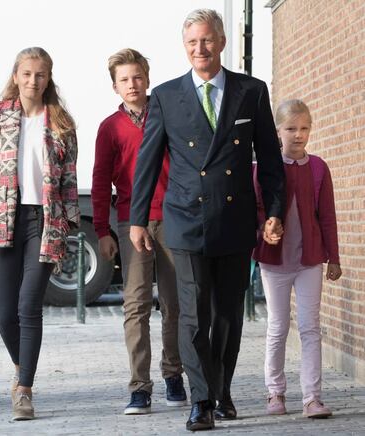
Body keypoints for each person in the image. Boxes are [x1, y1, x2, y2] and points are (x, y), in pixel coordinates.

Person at [129, 9, 286, 432]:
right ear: (185, 48)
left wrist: (274, 211)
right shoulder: (165, 95)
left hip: (234, 220)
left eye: (207, 40)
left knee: (228, 315)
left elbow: (269, 157)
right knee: (193, 315)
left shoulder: (251, 91)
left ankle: (222, 390)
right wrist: (137, 218)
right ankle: (201, 400)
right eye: (192, 42)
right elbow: (147, 161)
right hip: (185, 219)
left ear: (221, 41)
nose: (200, 49)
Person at [0, 47, 80, 420]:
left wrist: (68, 225)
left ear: (49, 78)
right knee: (2, 315)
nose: (33, 81)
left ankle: (24, 390)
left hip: (43, 222)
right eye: (26, 73)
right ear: (16, 75)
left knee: (29, 307)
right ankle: (21, 367)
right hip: (3, 220)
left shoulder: (61, 123)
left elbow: (71, 182)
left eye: (40, 74)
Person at [92, 48, 186, 415]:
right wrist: (102, 229)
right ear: (115, 86)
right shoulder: (110, 128)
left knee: (175, 304)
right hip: (132, 221)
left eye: (137, 77)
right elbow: (100, 183)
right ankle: (139, 386)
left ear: (147, 78)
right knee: (136, 305)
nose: (132, 84)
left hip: (173, 219)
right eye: (124, 79)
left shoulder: (169, 117)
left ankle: (174, 374)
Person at [253, 99, 342, 418]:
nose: (299, 134)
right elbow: (256, 211)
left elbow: (327, 216)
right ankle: (275, 393)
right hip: (274, 261)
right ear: (278, 131)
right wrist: (263, 231)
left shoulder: (318, 167)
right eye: (291, 128)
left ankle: (312, 398)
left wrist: (334, 256)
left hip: (310, 261)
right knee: (278, 326)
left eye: (304, 128)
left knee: (310, 327)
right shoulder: (264, 167)